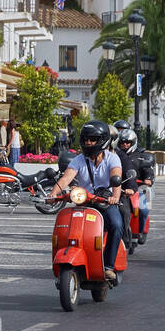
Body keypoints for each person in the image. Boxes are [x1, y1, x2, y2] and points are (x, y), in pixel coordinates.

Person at [50, 120, 124, 281]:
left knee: (117, 225)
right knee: (66, 226)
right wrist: (53, 194)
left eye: (93, 139)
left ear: (103, 140)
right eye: (85, 139)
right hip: (84, 203)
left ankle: (108, 266)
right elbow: (66, 178)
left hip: (105, 202)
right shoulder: (78, 160)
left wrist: (115, 197)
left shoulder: (112, 159)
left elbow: (116, 176)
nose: (88, 142)